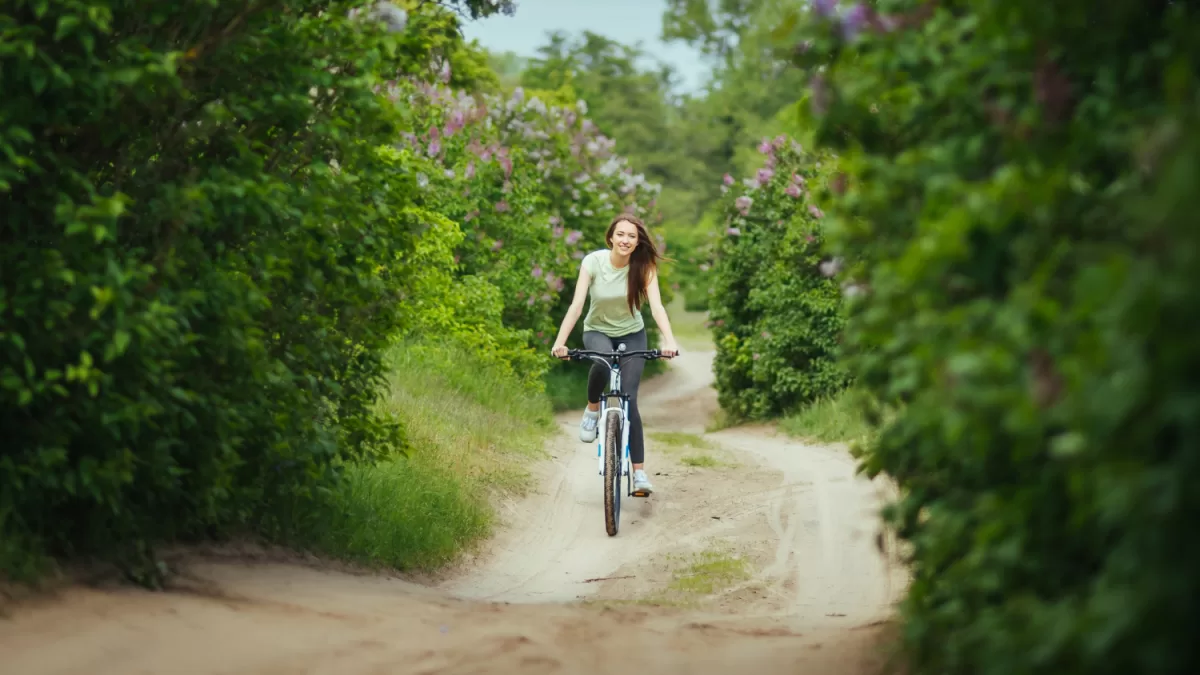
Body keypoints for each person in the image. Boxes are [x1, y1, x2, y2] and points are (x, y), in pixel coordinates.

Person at [550, 213, 680, 497]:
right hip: (596, 330)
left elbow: (656, 308)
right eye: (620, 234)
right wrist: (560, 342)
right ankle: (593, 407)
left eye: (632, 236)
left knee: (631, 401)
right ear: (611, 237)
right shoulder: (593, 262)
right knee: (602, 362)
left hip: (633, 334)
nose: (625, 240)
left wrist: (670, 340)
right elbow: (576, 305)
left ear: (637, 242)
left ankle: (640, 474)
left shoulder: (644, 267)